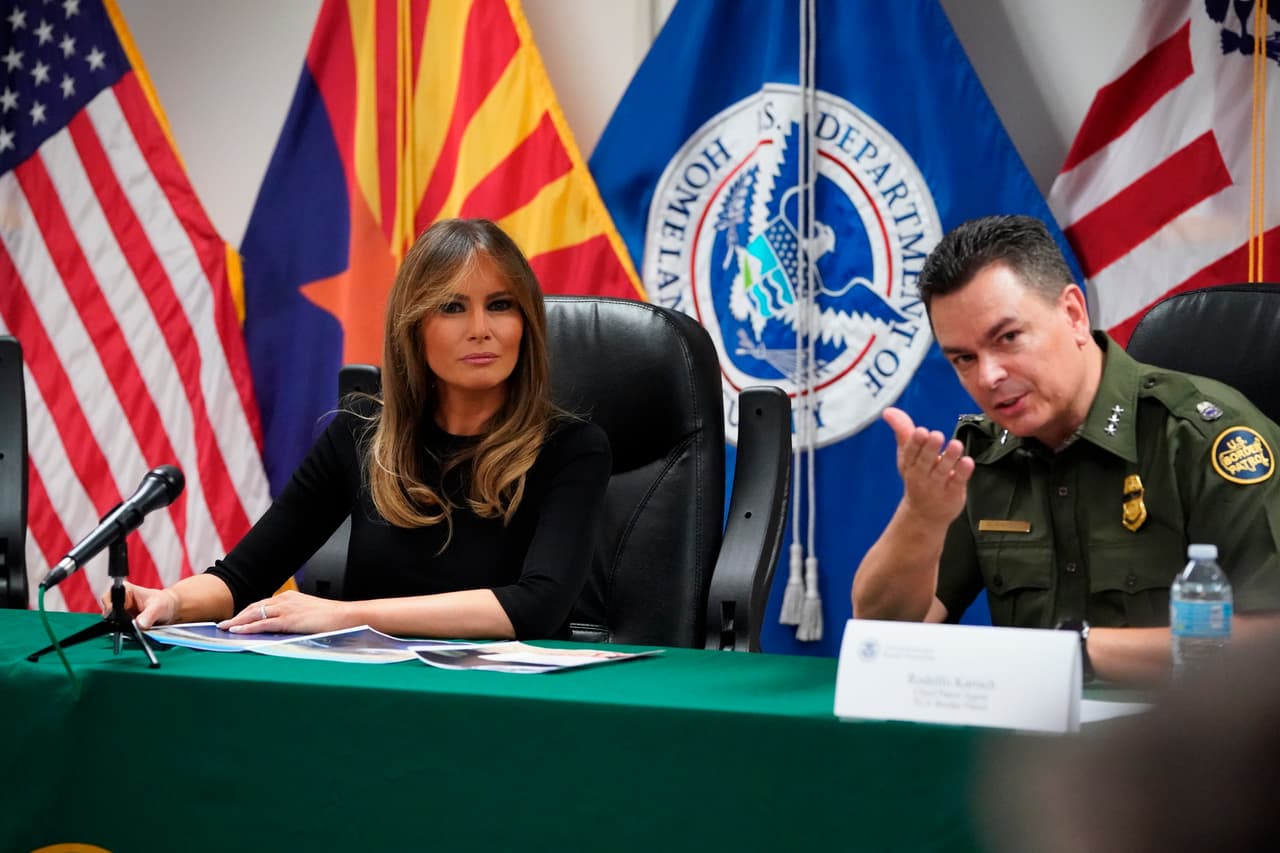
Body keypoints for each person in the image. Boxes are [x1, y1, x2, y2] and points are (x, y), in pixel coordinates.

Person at [107, 218, 611, 640]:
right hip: (373, 693)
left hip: (503, 706)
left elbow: (537, 606)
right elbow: (243, 577)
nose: (481, 327)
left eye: (500, 305)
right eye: (453, 307)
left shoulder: (570, 448)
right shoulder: (361, 434)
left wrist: (348, 616)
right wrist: (170, 601)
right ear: (413, 328)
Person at [851, 215, 1280, 684]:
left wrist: (1077, 651)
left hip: (1182, 743)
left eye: (1008, 338)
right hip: (1027, 746)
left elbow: (1268, 642)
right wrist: (921, 516)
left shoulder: (1201, 439)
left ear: (1074, 314)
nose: (988, 376)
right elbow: (884, 637)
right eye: (964, 359)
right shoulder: (981, 456)